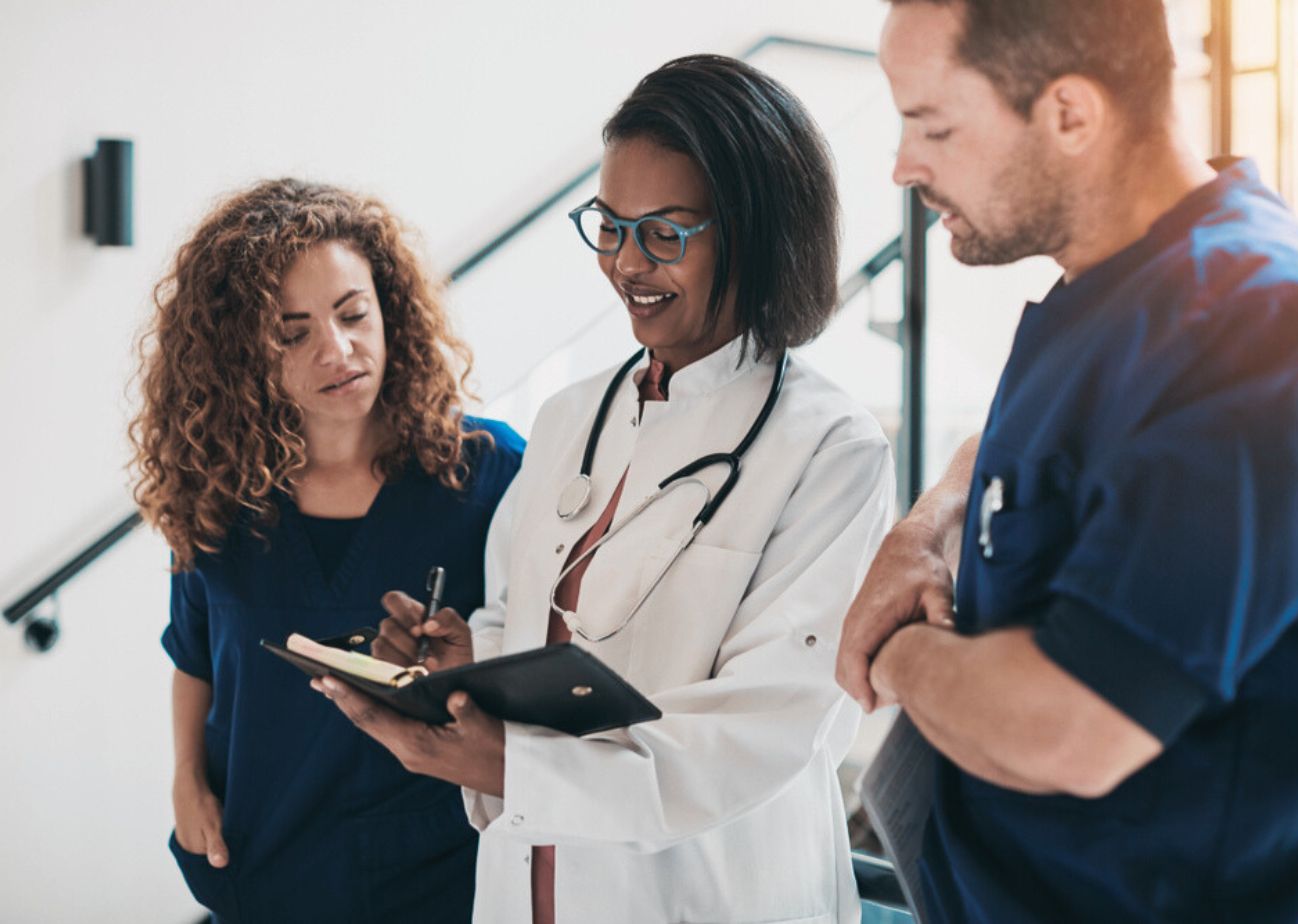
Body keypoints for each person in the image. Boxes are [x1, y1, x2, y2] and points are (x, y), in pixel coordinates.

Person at [315, 55, 895, 923]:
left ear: (755, 230)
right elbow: (521, 620)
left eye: (663, 232)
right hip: (535, 884)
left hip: (715, 895)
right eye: (610, 225)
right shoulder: (568, 420)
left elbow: (763, 730)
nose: (625, 263)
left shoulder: (829, 448)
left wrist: (505, 763)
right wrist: (460, 668)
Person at [835, 1, 1298, 921]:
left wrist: (893, 653)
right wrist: (922, 528)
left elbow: (1071, 730)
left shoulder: (1253, 324)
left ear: (1069, 113)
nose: (904, 168)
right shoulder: (1103, 286)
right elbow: (1014, 449)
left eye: (931, 125)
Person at [130, 178, 523, 923]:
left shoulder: (487, 474)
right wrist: (186, 780)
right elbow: (194, 659)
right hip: (262, 860)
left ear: (390, 311)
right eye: (293, 332)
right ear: (242, 351)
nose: (337, 351)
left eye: (353, 315)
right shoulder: (217, 493)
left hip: (434, 877)